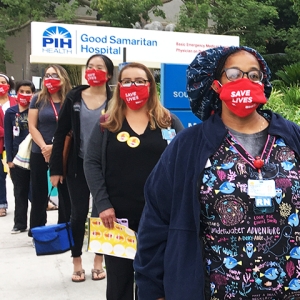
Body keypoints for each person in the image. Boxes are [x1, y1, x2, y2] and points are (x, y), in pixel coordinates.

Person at [133, 45, 300, 300]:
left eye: (254, 75)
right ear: (214, 84)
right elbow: (156, 222)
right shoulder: (188, 147)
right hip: (214, 291)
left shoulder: (292, 138)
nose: (245, 81)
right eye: (234, 74)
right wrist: (152, 290)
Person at [83, 62, 184, 300]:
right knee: (119, 281)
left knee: (154, 280)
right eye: (127, 81)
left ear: (150, 86)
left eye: (140, 81)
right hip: (116, 218)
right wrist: (103, 204)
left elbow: (185, 161)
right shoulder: (107, 123)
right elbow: (91, 164)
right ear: (119, 87)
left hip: (160, 217)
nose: (133, 86)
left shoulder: (168, 120)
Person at [49, 54, 114, 283]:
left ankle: (99, 260)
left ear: (108, 74)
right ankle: (77, 260)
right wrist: (55, 169)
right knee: (77, 215)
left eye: (99, 67)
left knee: (101, 215)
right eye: (90, 67)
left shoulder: (115, 99)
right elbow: (61, 132)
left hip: (105, 169)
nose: (93, 70)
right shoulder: (74, 96)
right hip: (77, 166)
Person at [28, 65, 72, 237]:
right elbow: (32, 126)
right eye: (47, 75)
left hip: (62, 152)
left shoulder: (70, 99)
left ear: (63, 78)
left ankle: (65, 229)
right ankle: (37, 230)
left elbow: (72, 127)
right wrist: (44, 146)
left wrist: (55, 148)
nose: (50, 78)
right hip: (40, 151)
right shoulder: (38, 99)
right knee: (39, 193)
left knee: (65, 192)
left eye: (55, 75)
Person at [4, 80, 35, 233]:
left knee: (36, 191)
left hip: (34, 155)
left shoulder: (36, 110)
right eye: (21, 91)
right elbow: (8, 138)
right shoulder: (10, 112)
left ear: (33, 94)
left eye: (28, 92)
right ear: (16, 93)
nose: (24, 94)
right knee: (20, 191)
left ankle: (36, 224)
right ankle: (20, 223)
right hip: (17, 159)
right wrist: (9, 159)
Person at [0, 73, 16, 217]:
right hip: (1, 144)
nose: (1, 85)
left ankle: (43, 202)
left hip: (15, 144)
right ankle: (2, 205)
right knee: (0, 176)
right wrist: (8, 131)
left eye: (3, 82)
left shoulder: (15, 102)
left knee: (20, 175)